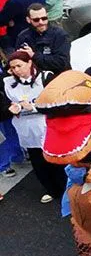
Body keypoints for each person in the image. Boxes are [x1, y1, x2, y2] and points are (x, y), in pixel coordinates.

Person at [1, 49, 66, 203]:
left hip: (48, 126)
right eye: (13, 68)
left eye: (19, 66)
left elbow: (58, 103)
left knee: (56, 159)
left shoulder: (46, 77)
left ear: (29, 63)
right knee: (38, 162)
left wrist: (34, 107)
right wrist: (11, 109)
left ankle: (66, 189)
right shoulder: (9, 83)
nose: (17, 70)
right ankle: (51, 189)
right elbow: (5, 106)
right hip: (27, 129)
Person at [14, 2, 71, 75]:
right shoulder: (23, 37)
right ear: (28, 20)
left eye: (44, 18)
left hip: (59, 77)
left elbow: (61, 62)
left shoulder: (60, 35)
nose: (41, 22)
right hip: (36, 78)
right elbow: (19, 62)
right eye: (36, 20)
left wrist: (34, 56)